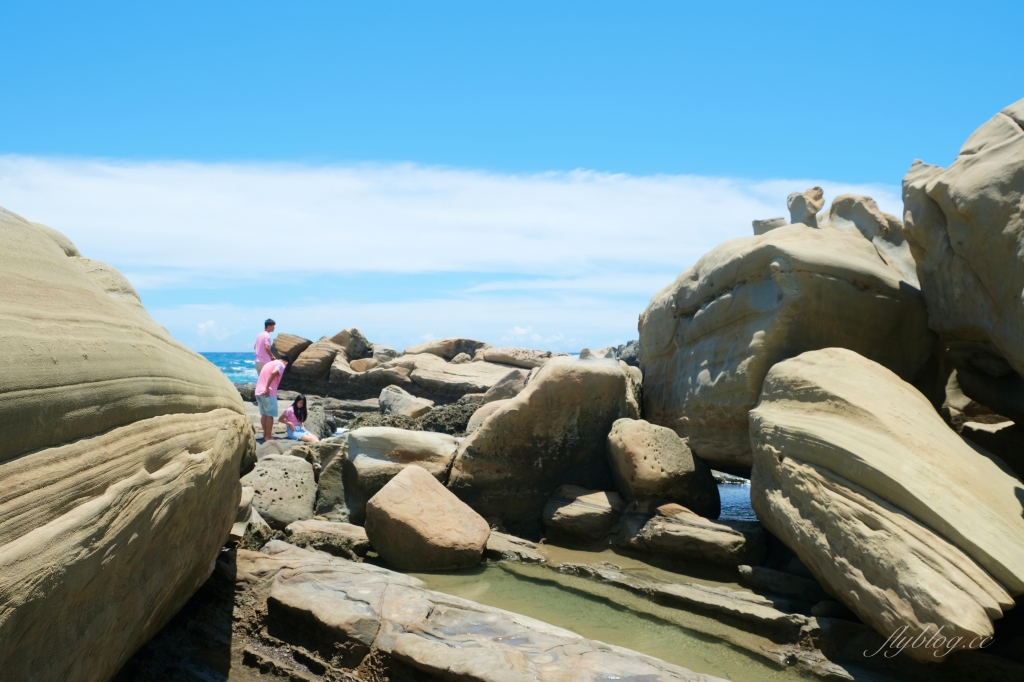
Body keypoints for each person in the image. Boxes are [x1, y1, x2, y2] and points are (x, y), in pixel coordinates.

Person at [255, 355, 290, 441]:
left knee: (264, 414)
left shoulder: (268, 363)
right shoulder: (282, 365)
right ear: (286, 362)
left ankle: (265, 434)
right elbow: (274, 373)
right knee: (270, 415)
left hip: (258, 392)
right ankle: (268, 436)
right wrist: (267, 387)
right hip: (268, 392)